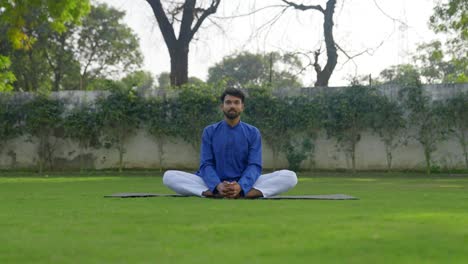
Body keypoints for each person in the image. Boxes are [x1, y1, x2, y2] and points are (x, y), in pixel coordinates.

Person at [163, 88, 297, 198]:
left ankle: (243, 194)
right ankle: (213, 192)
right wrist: (217, 185)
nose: (232, 106)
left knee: (290, 177)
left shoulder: (252, 132)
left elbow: (254, 165)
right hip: (213, 183)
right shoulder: (210, 131)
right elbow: (206, 164)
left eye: (236, 102)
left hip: (246, 183)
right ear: (222, 106)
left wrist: (241, 186)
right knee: (169, 176)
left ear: (242, 107)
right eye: (228, 102)